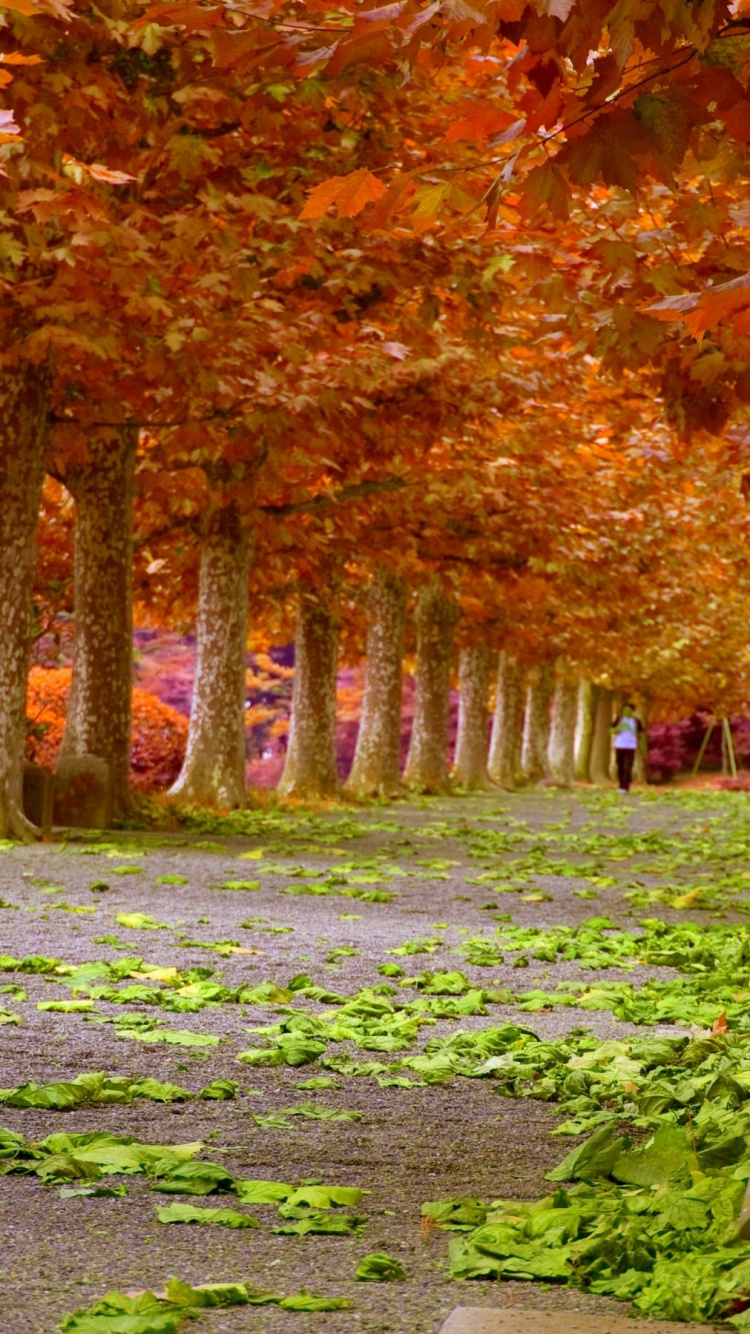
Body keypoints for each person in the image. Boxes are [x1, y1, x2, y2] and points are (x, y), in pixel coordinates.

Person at [611, 702, 645, 793]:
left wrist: (643, 748)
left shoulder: (636, 721)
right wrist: (619, 728)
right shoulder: (619, 719)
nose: (626, 712)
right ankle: (621, 785)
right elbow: (611, 730)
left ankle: (626, 786)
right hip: (619, 745)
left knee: (628, 766)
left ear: (632, 711)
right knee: (620, 766)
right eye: (625, 710)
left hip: (631, 746)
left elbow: (641, 734)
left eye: (628, 711)